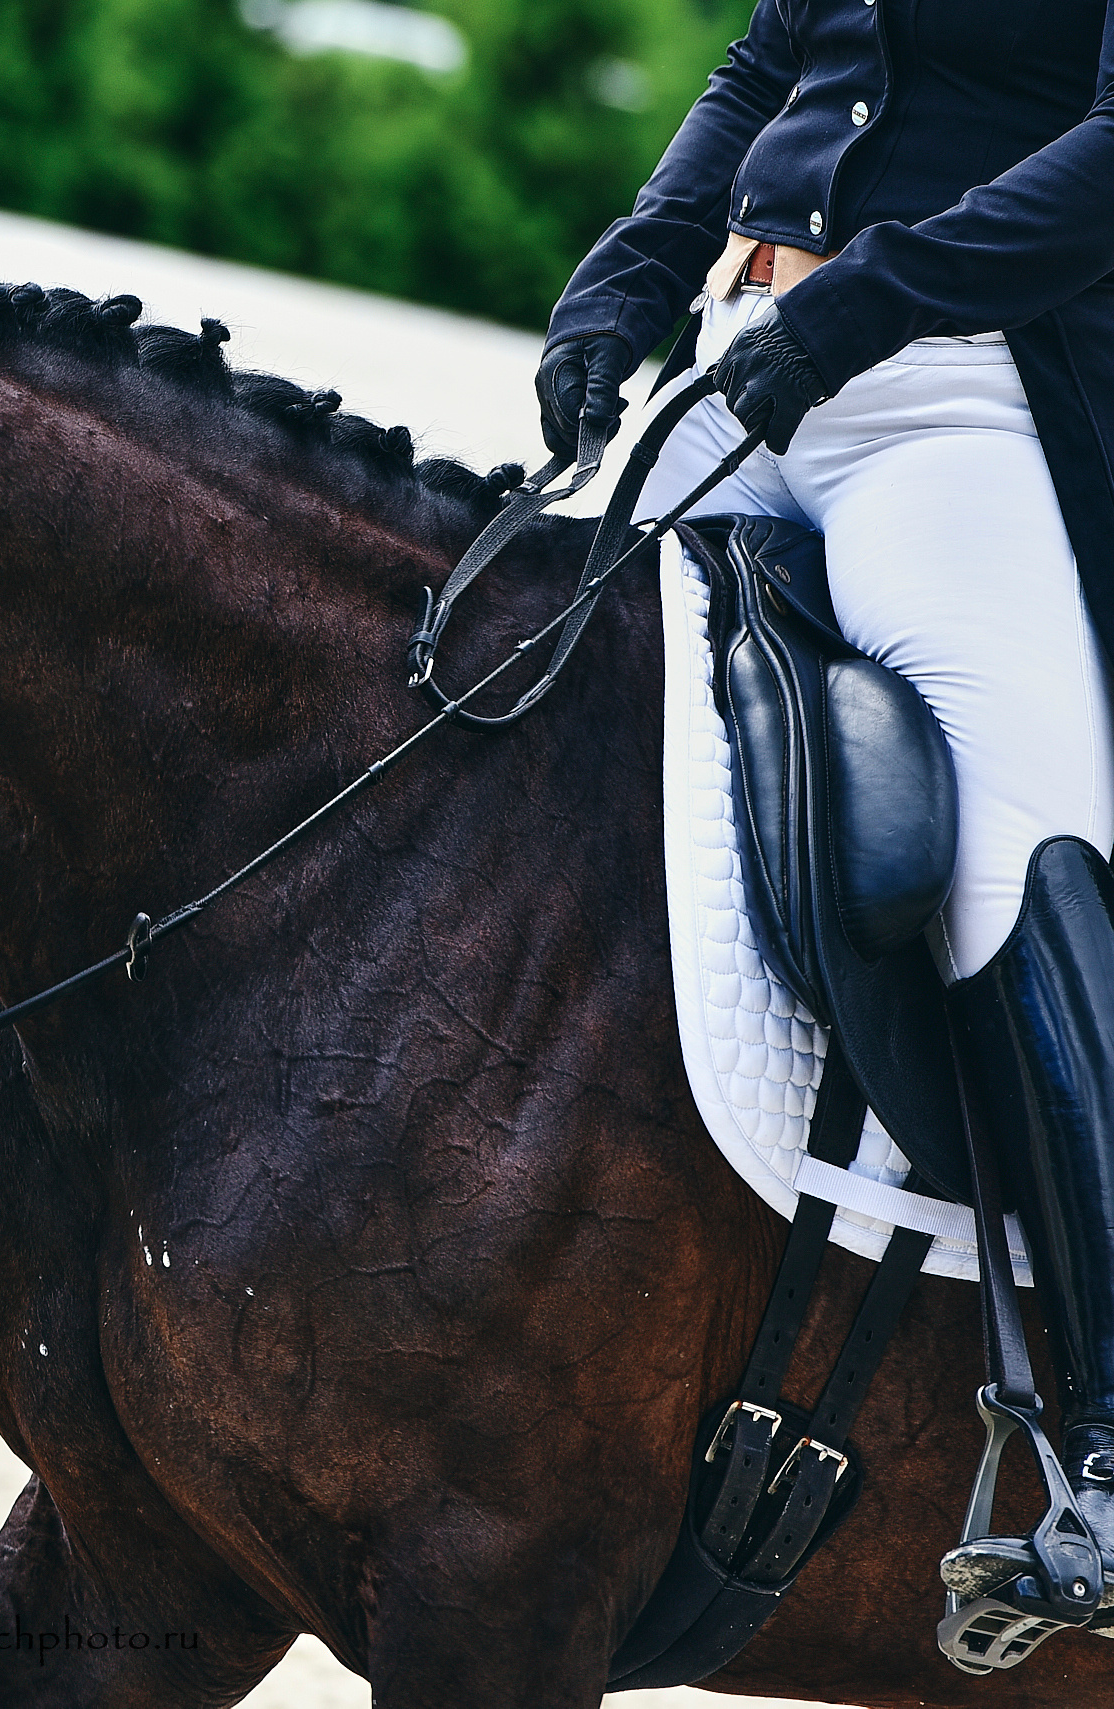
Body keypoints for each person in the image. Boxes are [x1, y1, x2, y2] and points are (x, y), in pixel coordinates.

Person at [536, 0, 1114, 1607]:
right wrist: (641, 267)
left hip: (967, 404)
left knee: (1013, 853)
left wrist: (860, 304)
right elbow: (766, 60)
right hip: (754, 369)